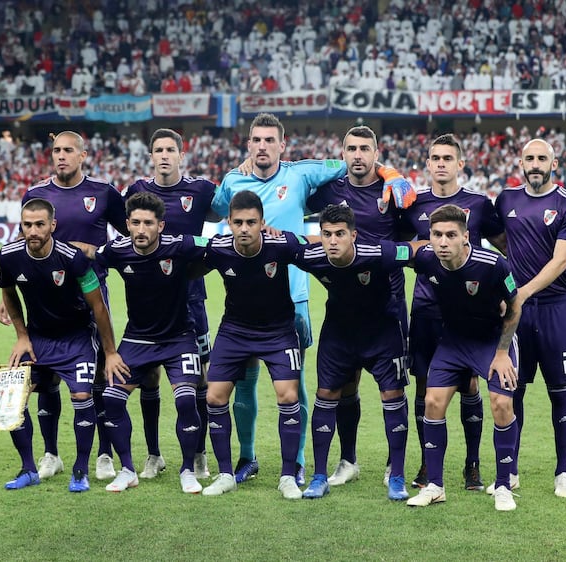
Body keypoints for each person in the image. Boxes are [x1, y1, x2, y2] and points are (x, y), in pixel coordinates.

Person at [211, 112, 415, 486]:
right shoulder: (232, 181)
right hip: (245, 299)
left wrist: (391, 173)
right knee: (243, 382)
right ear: (248, 143)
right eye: (256, 139)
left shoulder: (301, 174)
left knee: (296, 382)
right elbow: (216, 211)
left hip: (296, 295)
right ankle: (246, 456)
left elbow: (357, 163)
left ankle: (301, 461)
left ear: (282, 145)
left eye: (270, 140)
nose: (262, 146)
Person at [0, 131, 129, 483]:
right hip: (43, 299)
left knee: (98, 377)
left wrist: (97, 252)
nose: (61, 156)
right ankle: (51, 454)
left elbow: (129, 234)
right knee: (46, 378)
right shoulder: (37, 194)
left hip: (90, 297)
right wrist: (5, 297)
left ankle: (103, 455)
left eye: (68, 150)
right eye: (56, 150)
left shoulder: (103, 192)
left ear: (83, 155)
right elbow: (21, 250)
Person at [398, 133, 507, 491]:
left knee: (471, 384)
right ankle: (429, 465)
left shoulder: (478, 203)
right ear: (427, 164)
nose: (441, 163)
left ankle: (472, 464)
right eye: (435, 158)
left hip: (470, 313)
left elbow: (504, 245)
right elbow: (400, 246)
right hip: (427, 309)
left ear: (460, 164)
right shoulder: (414, 203)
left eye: (448, 158)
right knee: (425, 385)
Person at [304, 125, 408, 488]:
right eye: (352, 149)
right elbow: (292, 196)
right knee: (342, 385)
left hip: (388, 305)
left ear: (376, 154)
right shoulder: (332, 191)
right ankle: (347, 460)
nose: (358, 155)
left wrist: (393, 174)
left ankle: (395, 467)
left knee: (392, 388)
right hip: (343, 305)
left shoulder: (392, 189)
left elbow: (411, 240)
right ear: (342, 154)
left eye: (365, 149)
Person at [293, 205, 416, 501]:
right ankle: (320, 475)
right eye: (327, 234)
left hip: (383, 332)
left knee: (392, 395)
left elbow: (415, 251)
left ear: (353, 235)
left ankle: (396, 475)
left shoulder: (377, 254)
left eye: (340, 234)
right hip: (339, 334)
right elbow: (282, 246)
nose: (333, 241)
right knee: (327, 394)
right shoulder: (313, 258)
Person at [89, 192, 208, 494]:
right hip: (136, 339)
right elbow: (86, 270)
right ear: (127, 224)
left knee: (185, 399)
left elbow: (219, 248)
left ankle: (187, 470)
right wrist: (110, 351)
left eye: (148, 223)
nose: (141, 230)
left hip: (179, 338)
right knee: (113, 399)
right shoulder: (116, 250)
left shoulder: (180, 246)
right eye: (136, 223)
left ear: (161, 226)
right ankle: (128, 469)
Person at [405, 204, 521, 512]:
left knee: (501, 404)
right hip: (453, 341)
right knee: (432, 402)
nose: (442, 242)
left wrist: (501, 353)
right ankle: (435, 486)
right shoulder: (427, 259)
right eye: (436, 234)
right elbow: (391, 253)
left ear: (465, 237)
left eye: (450, 235)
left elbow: (515, 305)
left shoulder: (493, 264)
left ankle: (504, 486)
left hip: (492, 342)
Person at [122, 129, 218, 482]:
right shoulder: (136, 192)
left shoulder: (202, 190)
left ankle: (198, 455)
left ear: (182, 154)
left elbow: (230, 203)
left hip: (193, 300)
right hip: (150, 302)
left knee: (200, 380)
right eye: (158, 150)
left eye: (170, 150)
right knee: (149, 377)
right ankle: (154, 455)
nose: (164, 155)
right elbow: (126, 234)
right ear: (151, 156)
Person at [493, 138, 566, 498]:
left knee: (559, 391)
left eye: (541, 159)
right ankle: (510, 471)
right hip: (518, 313)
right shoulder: (506, 200)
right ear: (521, 163)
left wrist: (525, 290)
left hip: (555, 309)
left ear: (554, 163)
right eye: (529, 158)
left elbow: (562, 259)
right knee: (513, 389)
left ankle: (562, 472)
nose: (535, 164)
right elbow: (504, 239)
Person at [199, 190, 306, 500]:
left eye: (251, 222)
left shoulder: (282, 244)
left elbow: (317, 256)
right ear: (228, 223)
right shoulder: (218, 249)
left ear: (262, 223)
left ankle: (288, 476)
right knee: (215, 397)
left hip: (278, 330)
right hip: (235, 330)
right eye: (238, 222)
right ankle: (225, 474)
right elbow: (187, 262)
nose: (244, 229)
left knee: (288, 396)